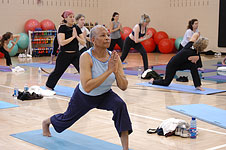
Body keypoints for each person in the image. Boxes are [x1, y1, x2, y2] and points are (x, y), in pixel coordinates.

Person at [42, 25, 133, 150]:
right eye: (103, 35)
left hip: (105, 94)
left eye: (108, 35)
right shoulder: (86, 57)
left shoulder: (114, 57)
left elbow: (123, 87)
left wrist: (116, 71)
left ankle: (125, 148)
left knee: (120, 105)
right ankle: (47, 122)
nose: (107, 38)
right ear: (93, 40)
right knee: (66, 120)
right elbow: (87, 86)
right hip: (84, 97)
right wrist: (108, 71)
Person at [45, 10, 85, 90]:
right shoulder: (62, 28)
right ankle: (49, 86)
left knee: (84, 70)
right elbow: (62, 42)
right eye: (70, 17)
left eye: (73, 17)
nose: (72, 19)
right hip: (64, 54)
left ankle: (87, 86)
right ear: (65, 18)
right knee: (58, 71)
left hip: (76, 54)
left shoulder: (76, 28)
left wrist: (76, 36)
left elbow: (83, 42)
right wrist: (73, 37)